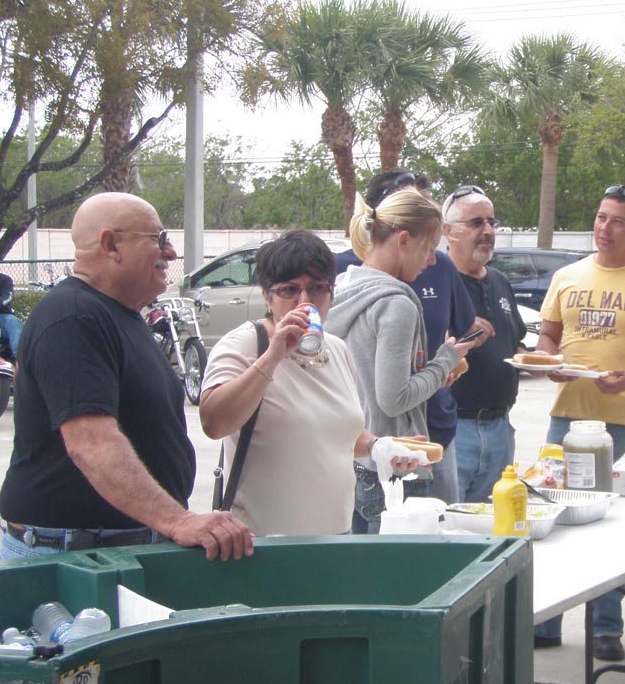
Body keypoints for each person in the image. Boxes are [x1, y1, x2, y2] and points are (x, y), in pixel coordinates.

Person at [0, 192, 253, 561]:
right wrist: (177, 521)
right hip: (76, 557)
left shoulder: (116, 314)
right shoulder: (73, 317)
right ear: (111, 244)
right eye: (159, 239)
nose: (170, 253)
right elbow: (92, 443)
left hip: (112, 548)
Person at [529, 184, 625, 661]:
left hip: (622, 422)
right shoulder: (567, 276)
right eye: (600, 217)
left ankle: (605, 628)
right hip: (566, 417)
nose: (605, 228)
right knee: (552, 515)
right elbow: (548, 337)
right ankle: (545, 622)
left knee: (609, 524)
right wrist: (550, 361)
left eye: (617, 221)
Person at [198, 230, 425, 536]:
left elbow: (334, 432)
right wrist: (273, 356)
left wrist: (379, 447)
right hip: (264, 543)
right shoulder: (246, 345)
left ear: (332, 294)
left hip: (334, 538)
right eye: (289, 290)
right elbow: (213, 423)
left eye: (317, 288)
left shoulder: (337, 349)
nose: (304, 301)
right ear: (267, 297)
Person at [325, 188, 474, 533]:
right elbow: (393, 399)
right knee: (402, 567)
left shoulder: (345, 288)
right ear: (404, 239)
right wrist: (444, 362)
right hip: (394, 469)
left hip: (353, 459)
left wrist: (430, 373)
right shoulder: (396, 304)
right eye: (430, 247)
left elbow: (367, 378)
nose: (433, 261)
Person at [444, 186, 527, 502]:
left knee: (495, 522)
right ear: (448, 231)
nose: (488, 231)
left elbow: (514, 344)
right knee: (449, 523)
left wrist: (541, 361)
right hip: (454, 429)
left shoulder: (499, 282)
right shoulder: (436, 282)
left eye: (492, 222)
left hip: (500, 429)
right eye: (476, 223)